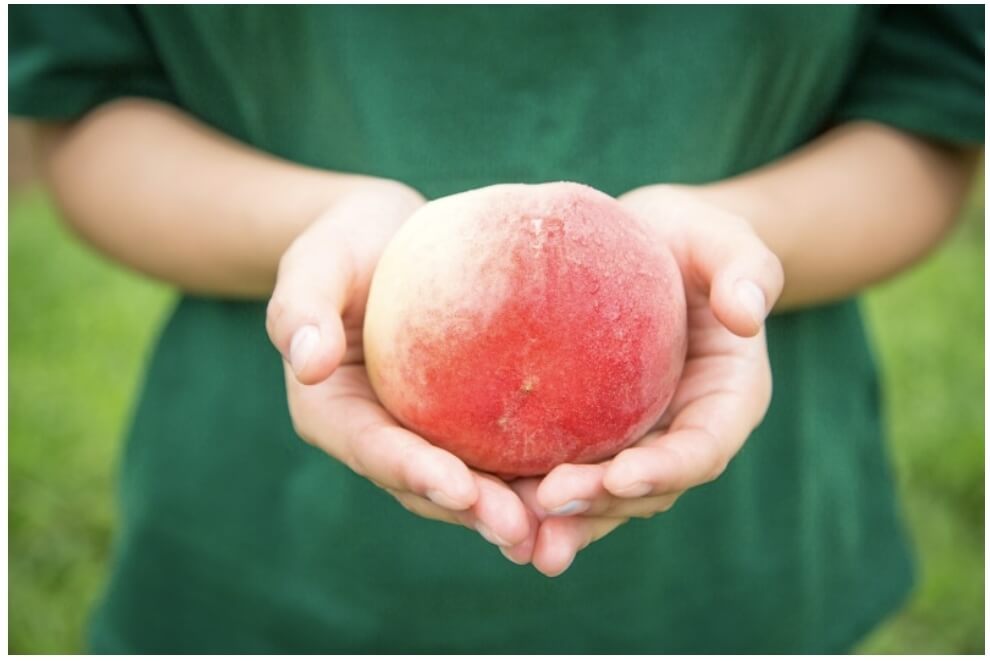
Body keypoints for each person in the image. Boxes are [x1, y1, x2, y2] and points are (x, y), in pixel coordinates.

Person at [10, 5, 983, 654]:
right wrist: (316, 228)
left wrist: (736, 253)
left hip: (741, 556)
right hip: (265, 539)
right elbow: (80, 106)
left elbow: (931, 112)